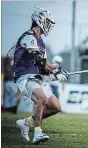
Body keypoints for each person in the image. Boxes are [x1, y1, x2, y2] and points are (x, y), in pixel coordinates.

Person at [13, 8, 69, 144]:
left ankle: (26, 122)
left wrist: (58, 71)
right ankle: (38, 133)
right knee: (42, 99)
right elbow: (37, 59)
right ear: (39, 20)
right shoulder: (28, 36)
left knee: (56, 107)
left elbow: (43, 67)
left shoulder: (41, 42)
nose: (49, 26)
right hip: (25, 77)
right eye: (48, 22)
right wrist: (55, 70)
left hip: (36, 78)